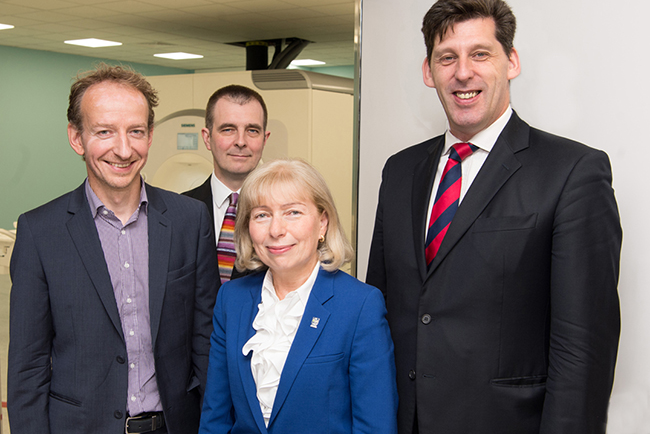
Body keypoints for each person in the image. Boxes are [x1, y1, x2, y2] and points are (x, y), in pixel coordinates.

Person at [367, 0, 621, 434]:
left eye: (480, 53)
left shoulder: (572, 172)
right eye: (447, 57)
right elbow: (380, 307)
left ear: (512, 62)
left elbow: (583, 347)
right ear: (428, 72)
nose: (463, 72)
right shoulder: (400, 170)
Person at [8, 64, 219, 434]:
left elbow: (206, 342)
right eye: (104, 132)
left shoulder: (190, 220)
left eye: (135, 131)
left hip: (174, 425)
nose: (123, 149)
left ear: (150, 136)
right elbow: (29, 366)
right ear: (76, 137)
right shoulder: (40, 232)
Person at [199, 158, 398, 434]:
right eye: (262, 215)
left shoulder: (359, 306)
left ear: (322, 223)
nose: (276, 230)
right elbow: (215, 418)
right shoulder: (231, 300)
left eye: (292, 212)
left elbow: (375, 427)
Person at [183, 84, 270, 283]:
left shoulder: (283, 215)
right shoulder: (179, 211)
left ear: (265, 140)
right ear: (207, 138)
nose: (240, 141)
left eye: (252, 130)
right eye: (228, 129)